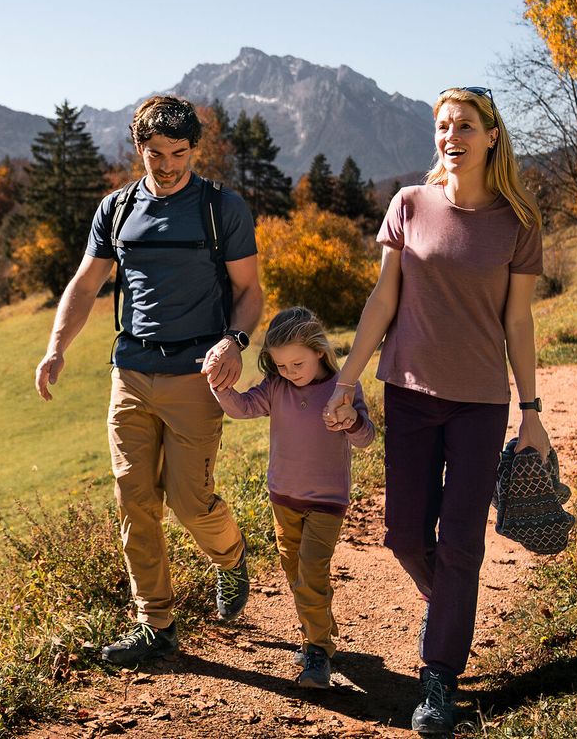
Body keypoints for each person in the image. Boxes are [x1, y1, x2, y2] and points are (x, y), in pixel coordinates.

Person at [323, 85, 543, 736]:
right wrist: (346, 378)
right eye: (443, 126)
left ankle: (439, 677)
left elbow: (520, 322)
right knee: (404, 535)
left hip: (479, 403)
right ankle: (448, 601)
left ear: (491, 136)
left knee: (461, 545)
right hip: (410, 395)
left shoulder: (517, 222)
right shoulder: (409, 205)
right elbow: (382, 299)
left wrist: (531, 410)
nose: (451, 136)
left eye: (465, 126)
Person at [34, 95, 263, 666]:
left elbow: (249, 291)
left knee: (190, 502)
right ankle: (154, 624)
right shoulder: (115, 210)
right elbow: (85, 286)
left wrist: (233, 343)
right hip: (130, 373)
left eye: (178, 153)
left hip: (196, 376)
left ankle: (231, 556)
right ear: (138, 148)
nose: (166, 165)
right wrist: (56, 349)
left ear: (195, 149)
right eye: (155, 153)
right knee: (134, 497)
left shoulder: (221, 209)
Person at [210, 306, 375, 688]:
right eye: (281, 365)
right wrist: (218, 385)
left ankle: (317, 649)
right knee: (294, 571)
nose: (290, 372)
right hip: (283, 498)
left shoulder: (342, 388)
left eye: (297, 363)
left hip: (327, 500)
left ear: (319, 351)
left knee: (311, 570)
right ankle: (321, 629)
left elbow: (366, 439)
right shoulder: (277, 388)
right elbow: (243, 406)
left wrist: (350, 419)